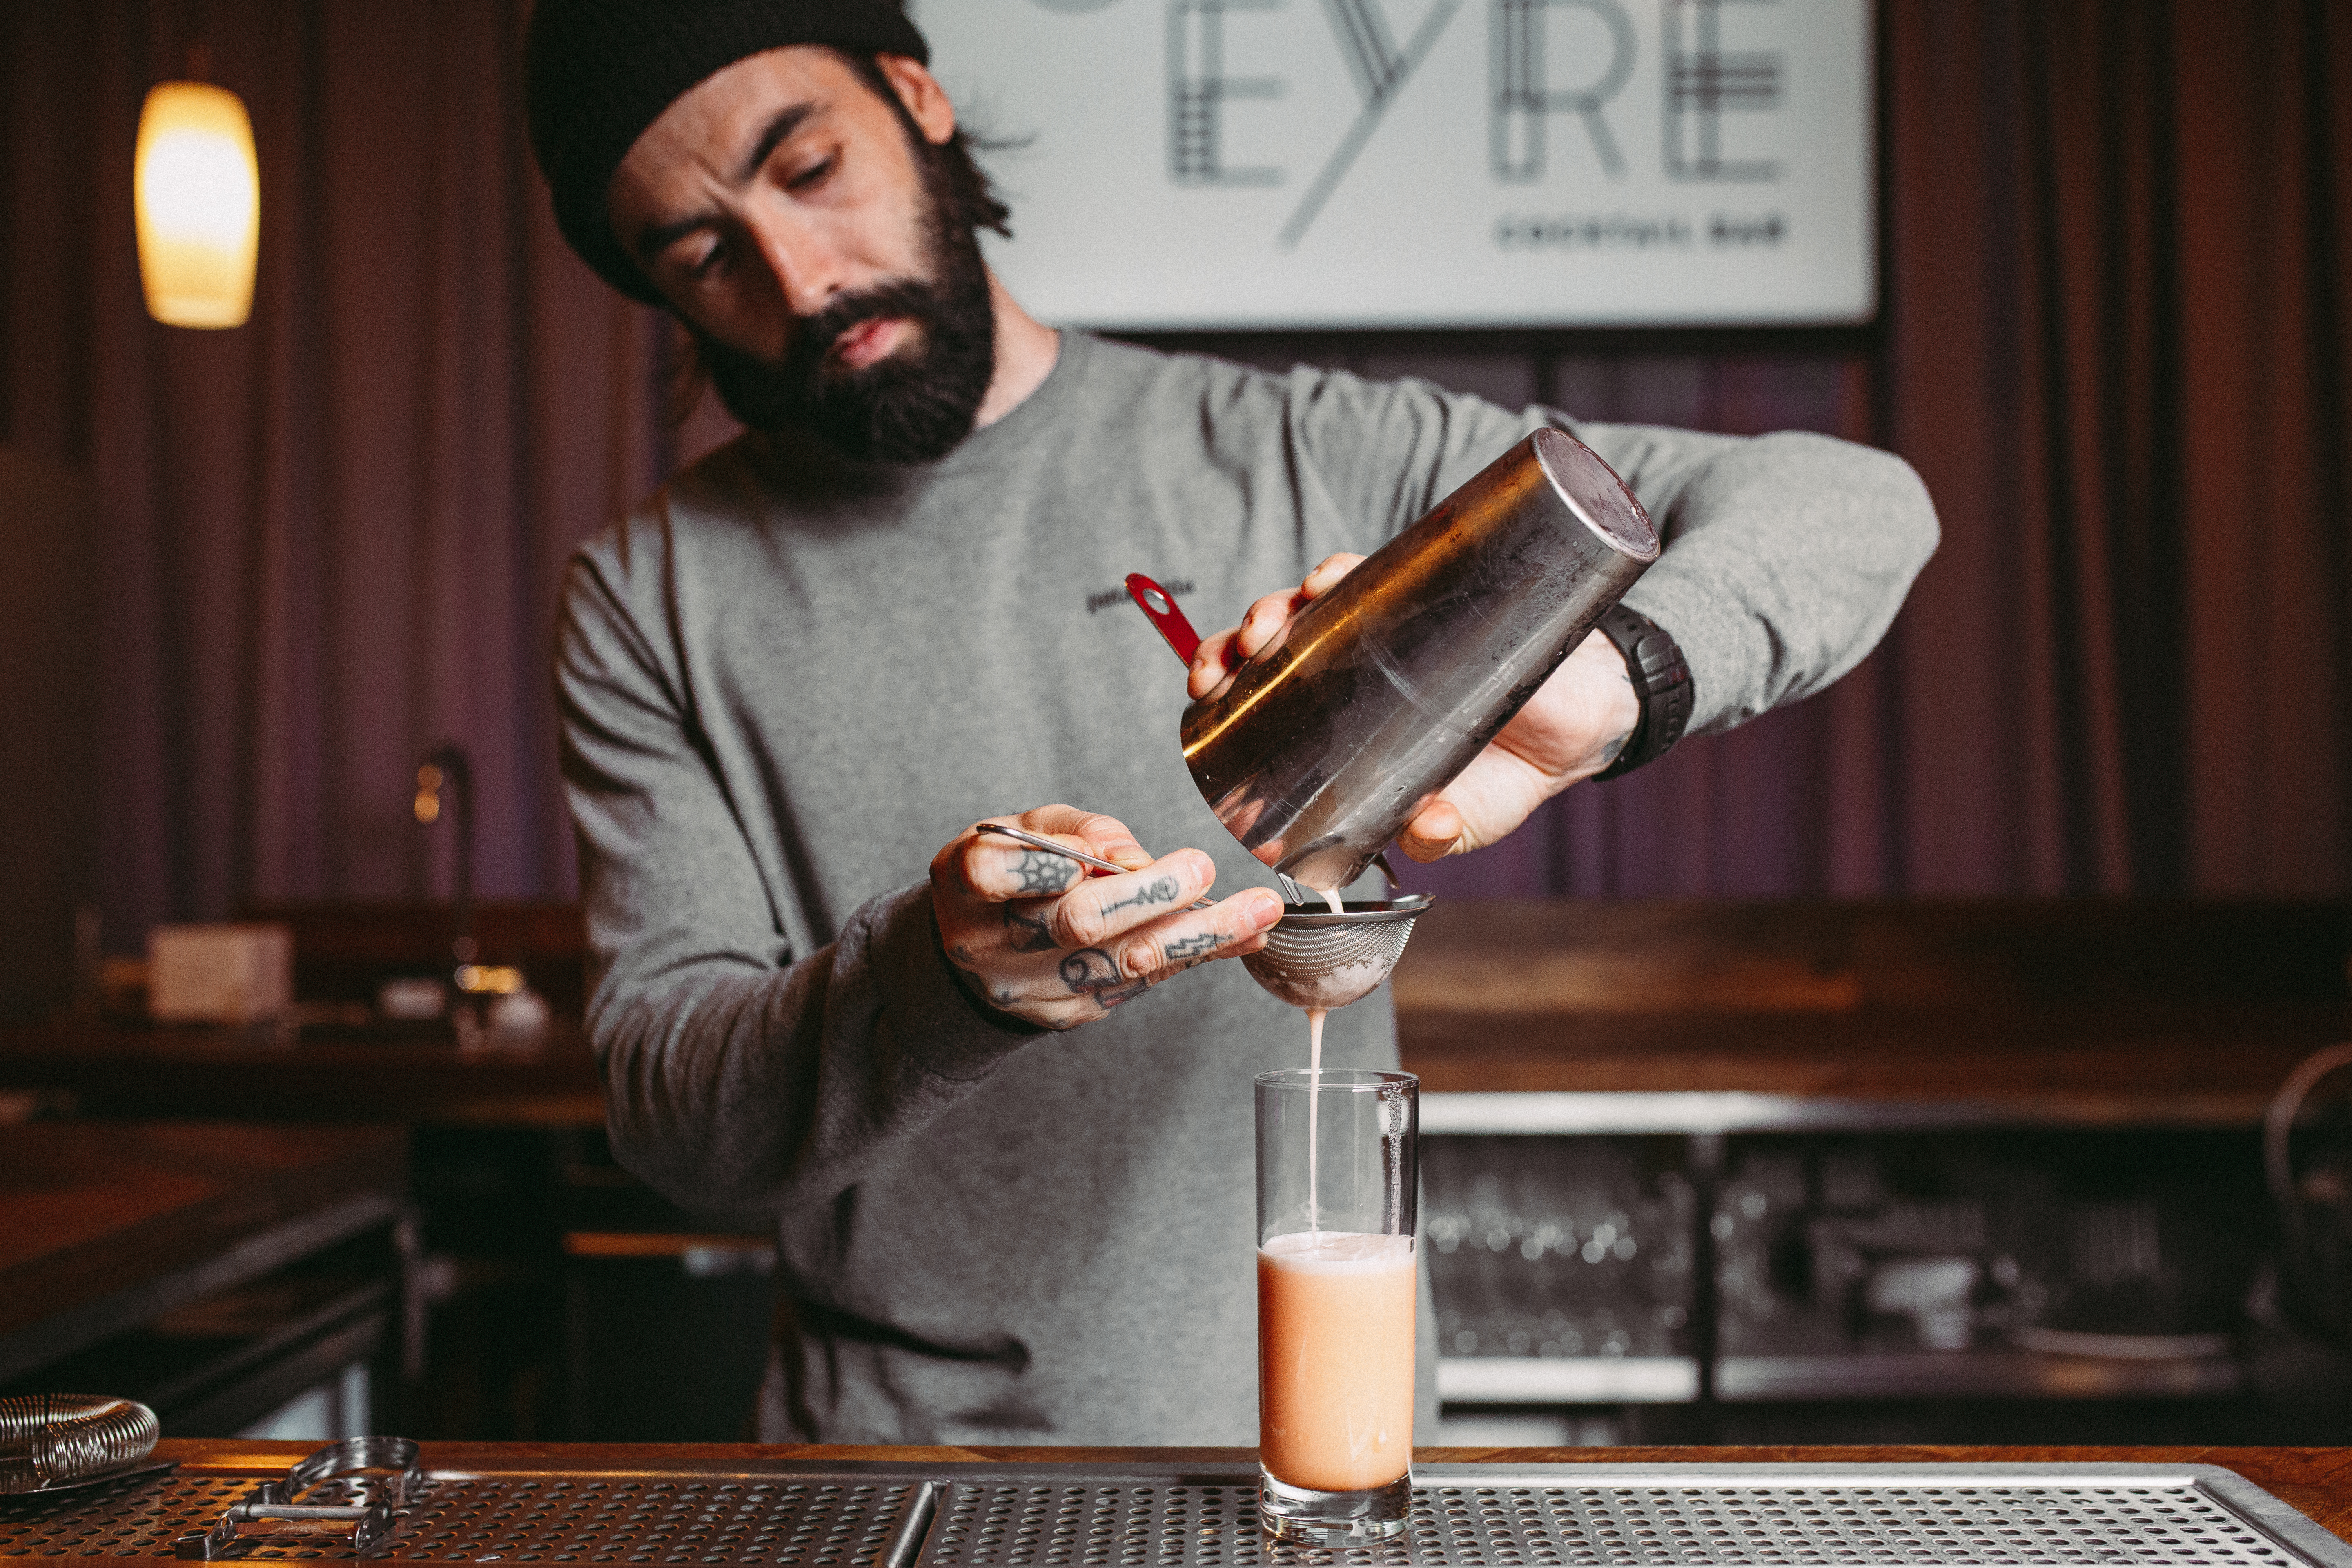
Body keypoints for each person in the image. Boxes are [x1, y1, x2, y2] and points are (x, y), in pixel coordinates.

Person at [526, 0, 1938, 1445]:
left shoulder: (1294, 450)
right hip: (891, 1486)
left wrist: (1603, 681)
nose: (802, 275)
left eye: (811, 166)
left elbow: (1856, 510)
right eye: (704, 254)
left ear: (913, 98)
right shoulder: (650, 596)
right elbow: (675, 1125)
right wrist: (934, 980)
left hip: (1315, 1461)